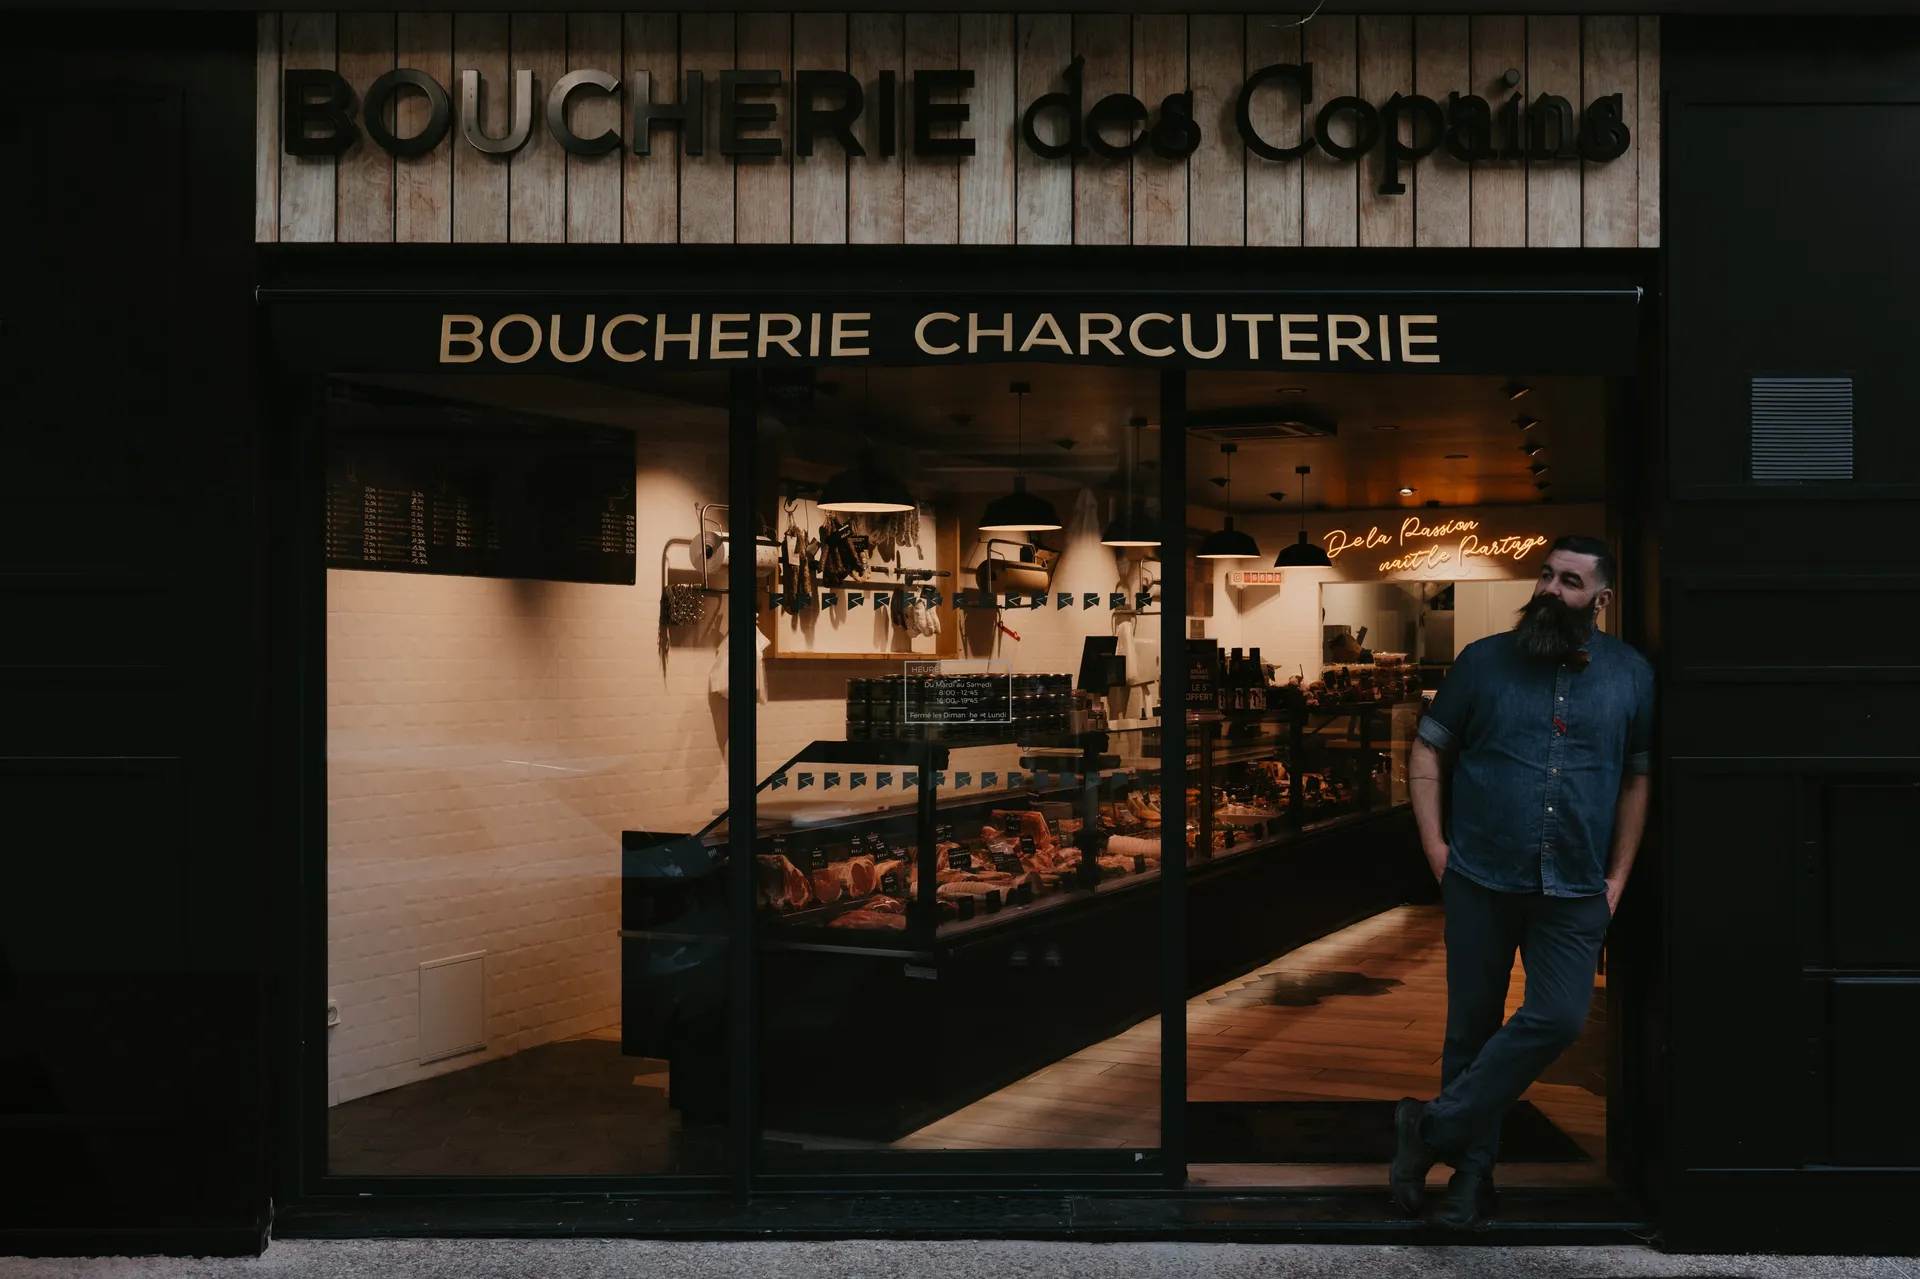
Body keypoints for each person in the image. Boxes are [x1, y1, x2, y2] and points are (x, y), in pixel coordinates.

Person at [1392, 535, 1653, 1230]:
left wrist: (1617, 879)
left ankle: (1427, 1129)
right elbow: (1427, 749)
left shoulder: (1631, 675)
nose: (1549, 590)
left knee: (1561, 1016)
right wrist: (1436, 849)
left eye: (1569, 581)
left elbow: (1636, 778)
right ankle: (1470, 1182)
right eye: (1545, 575)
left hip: (1574, 888)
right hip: (1479, 876)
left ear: (1600, 598)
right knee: (1469, 1032)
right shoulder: (1484, 662)